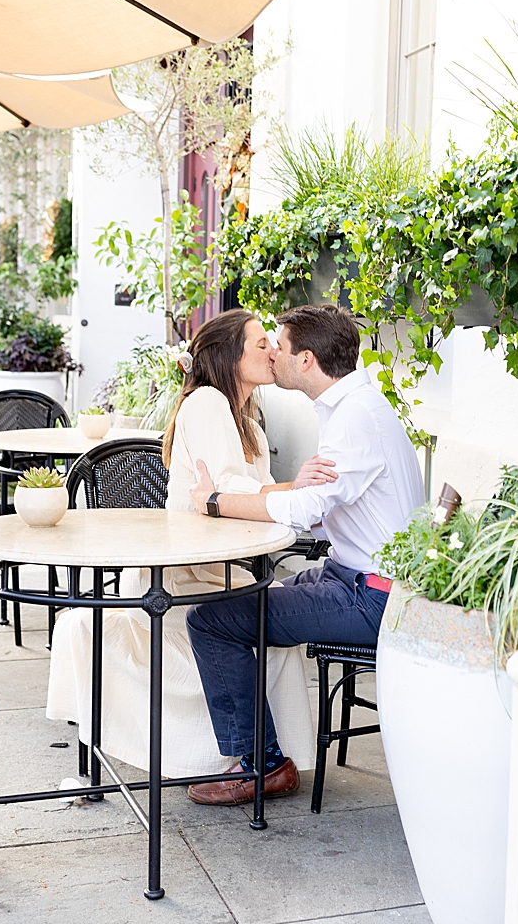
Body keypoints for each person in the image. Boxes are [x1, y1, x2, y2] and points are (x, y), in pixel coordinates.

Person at [47, 310, 331, 779]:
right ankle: (256, 761)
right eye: (261, 344)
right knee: (256, 619)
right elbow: (232, 493)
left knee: (274, 614)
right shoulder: (205, 403)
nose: (272, 351)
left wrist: (294, 493)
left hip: (220, 570)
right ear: (227, 355)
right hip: (182, 578)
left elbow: (253, 500)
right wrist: (295, 488)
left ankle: (262, 760)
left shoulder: (251, 427)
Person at [183, 304, 424, 805]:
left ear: (307, 359)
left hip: (373, 598)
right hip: (349, 578)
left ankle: (263, 766)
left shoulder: (357, 416)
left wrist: (214, 501)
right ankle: (264, 751)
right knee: (251, 595)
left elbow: (306, 509)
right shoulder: (351, 409)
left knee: (211, 621)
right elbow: (319, 511)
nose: (275, 355)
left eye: (281, 347)